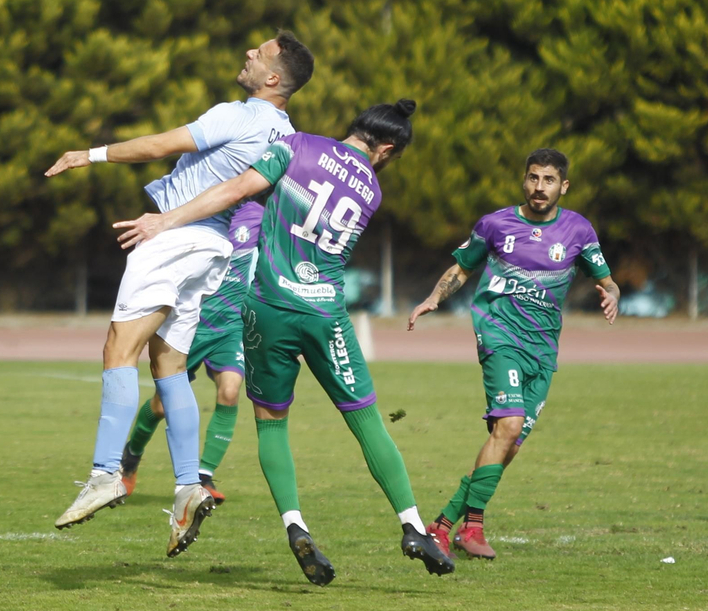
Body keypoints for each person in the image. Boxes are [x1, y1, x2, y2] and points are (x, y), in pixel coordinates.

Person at [114, 100, 455, 586]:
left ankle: (295, 524)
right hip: (325, 311)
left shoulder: (296, 146)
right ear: (387, 149)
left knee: (271, 424)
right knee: (366, 419)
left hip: (269, 307)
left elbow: (237, 189)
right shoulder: (372, 190)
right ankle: (414, 526)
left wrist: (165, 220)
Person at [45, 32, 314, 557]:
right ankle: (189, 482)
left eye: (258, 54)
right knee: (168, 368)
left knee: (117, 350)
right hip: (212, 247)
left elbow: (163, 144)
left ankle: (105, 473)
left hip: (176, 238)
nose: (247, 54)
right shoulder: (286, 133)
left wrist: (90, 154)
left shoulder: (242, 114)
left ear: (274, 78)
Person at [407, 148, 618, 560]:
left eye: (549, 180)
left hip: (544, 348)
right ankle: (468, 527)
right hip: (499, 333)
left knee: (510, 443)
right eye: (534, 178)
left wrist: (612, 297)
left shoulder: (579, 230)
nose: (540, 187)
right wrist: (434, 297)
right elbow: (462, 268)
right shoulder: (495, 224)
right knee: (508, 426)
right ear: (524, 180)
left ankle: (446, 525)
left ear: (564, 186)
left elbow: (609, 282)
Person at [118, 199, 264, 503]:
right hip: (192, 321)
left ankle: (203, 477)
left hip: (231, 326)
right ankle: (131, 456)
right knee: (161, 405)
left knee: (230, 391)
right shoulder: (197, 211)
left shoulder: (259, 217)